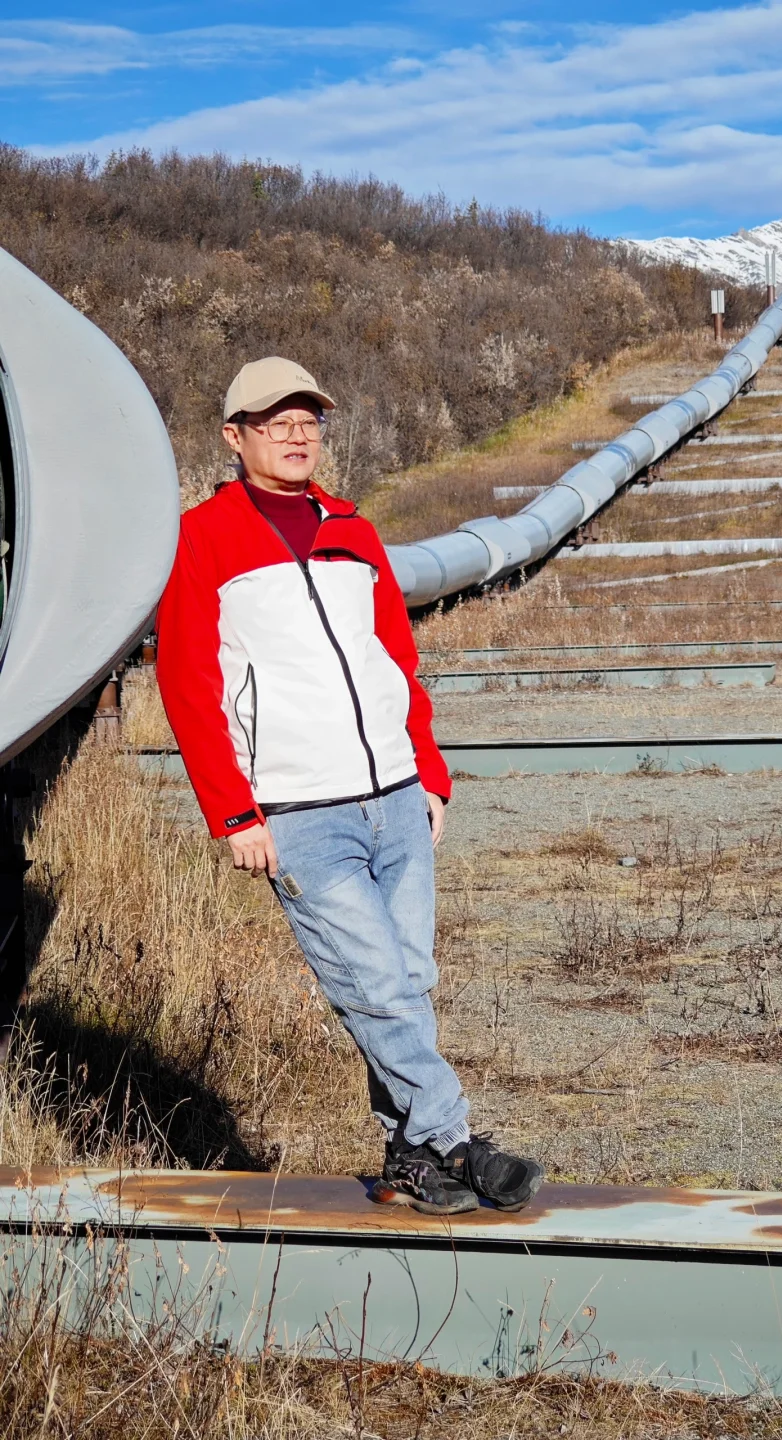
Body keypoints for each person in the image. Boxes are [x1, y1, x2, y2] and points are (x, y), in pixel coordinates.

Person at [156, 356, 543, 1215]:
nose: (297, 434)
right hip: (298, 812)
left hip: (398, 798)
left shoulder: (353, 529)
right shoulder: (201, 537)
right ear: (235, 436)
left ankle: (413, 1165)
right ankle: (454, 1140)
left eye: (309, 420)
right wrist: (232, 812)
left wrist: (430, 774)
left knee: (407, 983)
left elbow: (394, 661)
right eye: (274, 421)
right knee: (372, 986)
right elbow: (187, 686)